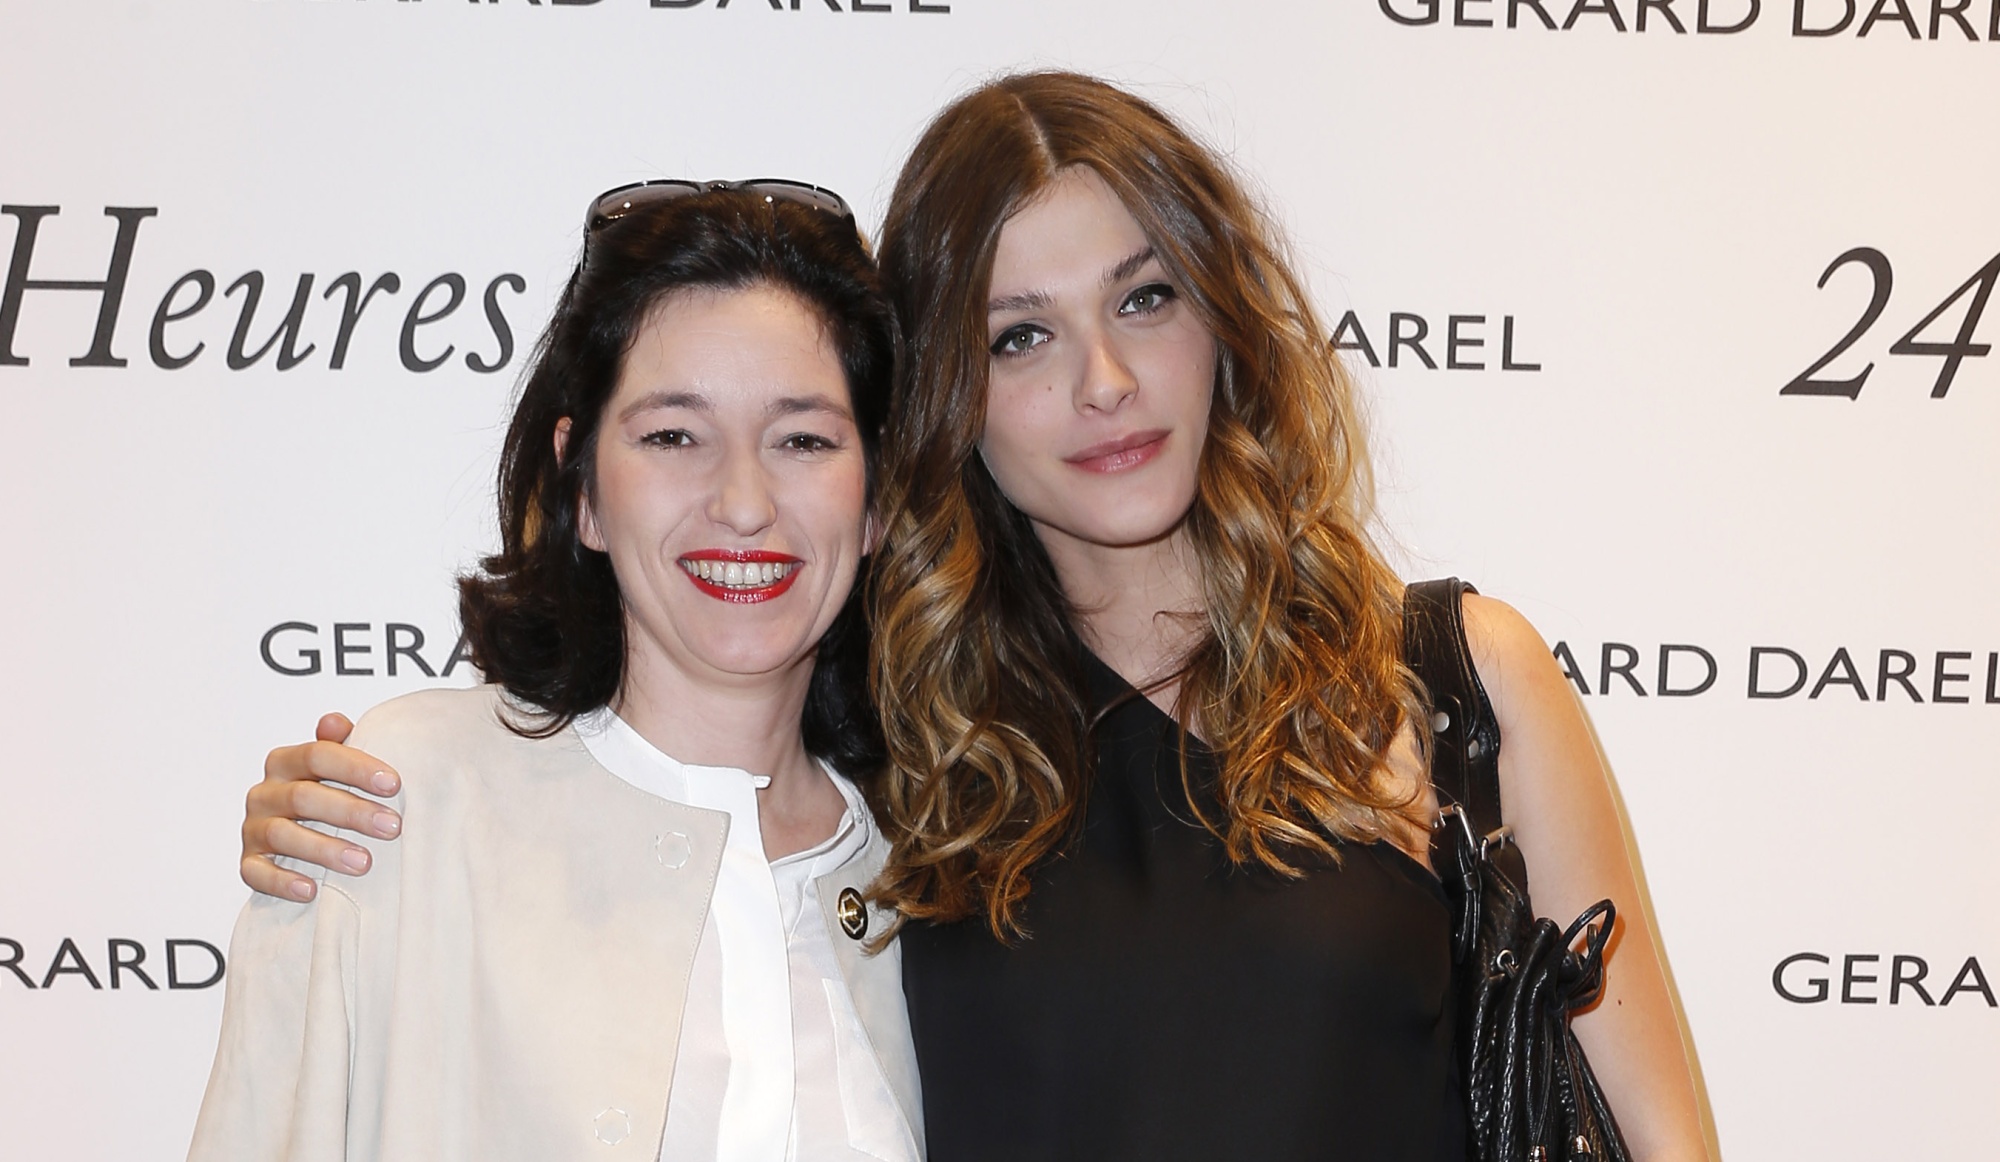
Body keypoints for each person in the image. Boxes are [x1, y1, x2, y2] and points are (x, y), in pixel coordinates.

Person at [237, 73, 1713, 1161]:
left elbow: (1659, 1136)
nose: (1103, 384)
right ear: (950, 399)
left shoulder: (1452, 684)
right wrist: (376, 813)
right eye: (1021, 335)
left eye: (1144, 299)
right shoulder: (910, 753)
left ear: (1222, 319)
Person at [193, 182, 923, 1161]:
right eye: (673, 435)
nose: (745, 503)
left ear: (874, 497)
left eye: (803, 440)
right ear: (582, 488)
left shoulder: (926, 876)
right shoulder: (398, 807)